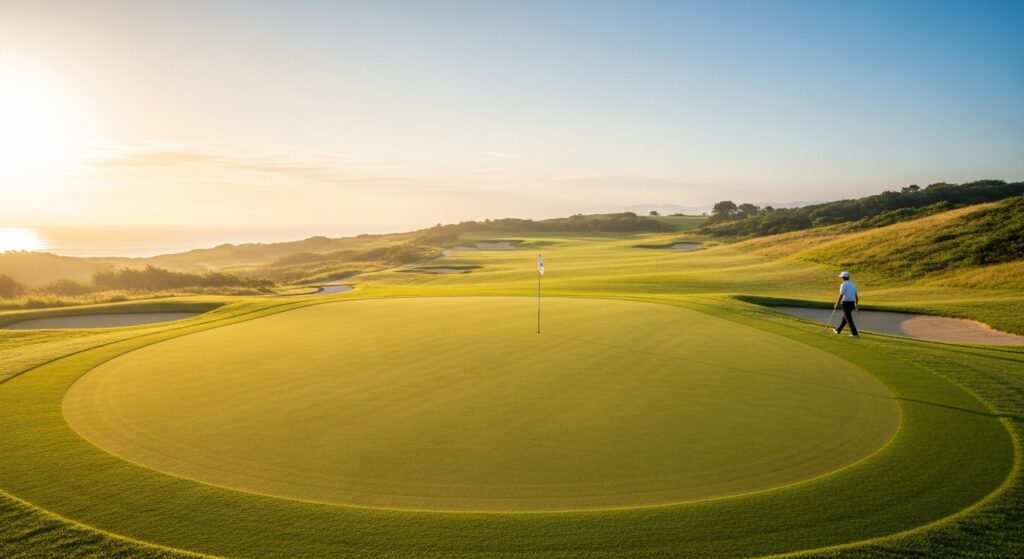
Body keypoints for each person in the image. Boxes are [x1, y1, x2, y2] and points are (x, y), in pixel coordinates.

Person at [833, 271, 859, 337]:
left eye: (841, 277)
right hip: (852, 303)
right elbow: (856, 296)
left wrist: (837, 304)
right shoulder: (853, 284)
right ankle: (838, 330)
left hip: (846, 304)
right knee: (845, 317)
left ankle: (855, 334)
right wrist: (856, 304)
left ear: (843, 278)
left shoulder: (843, 285)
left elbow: (841, 295)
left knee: (849, 319)